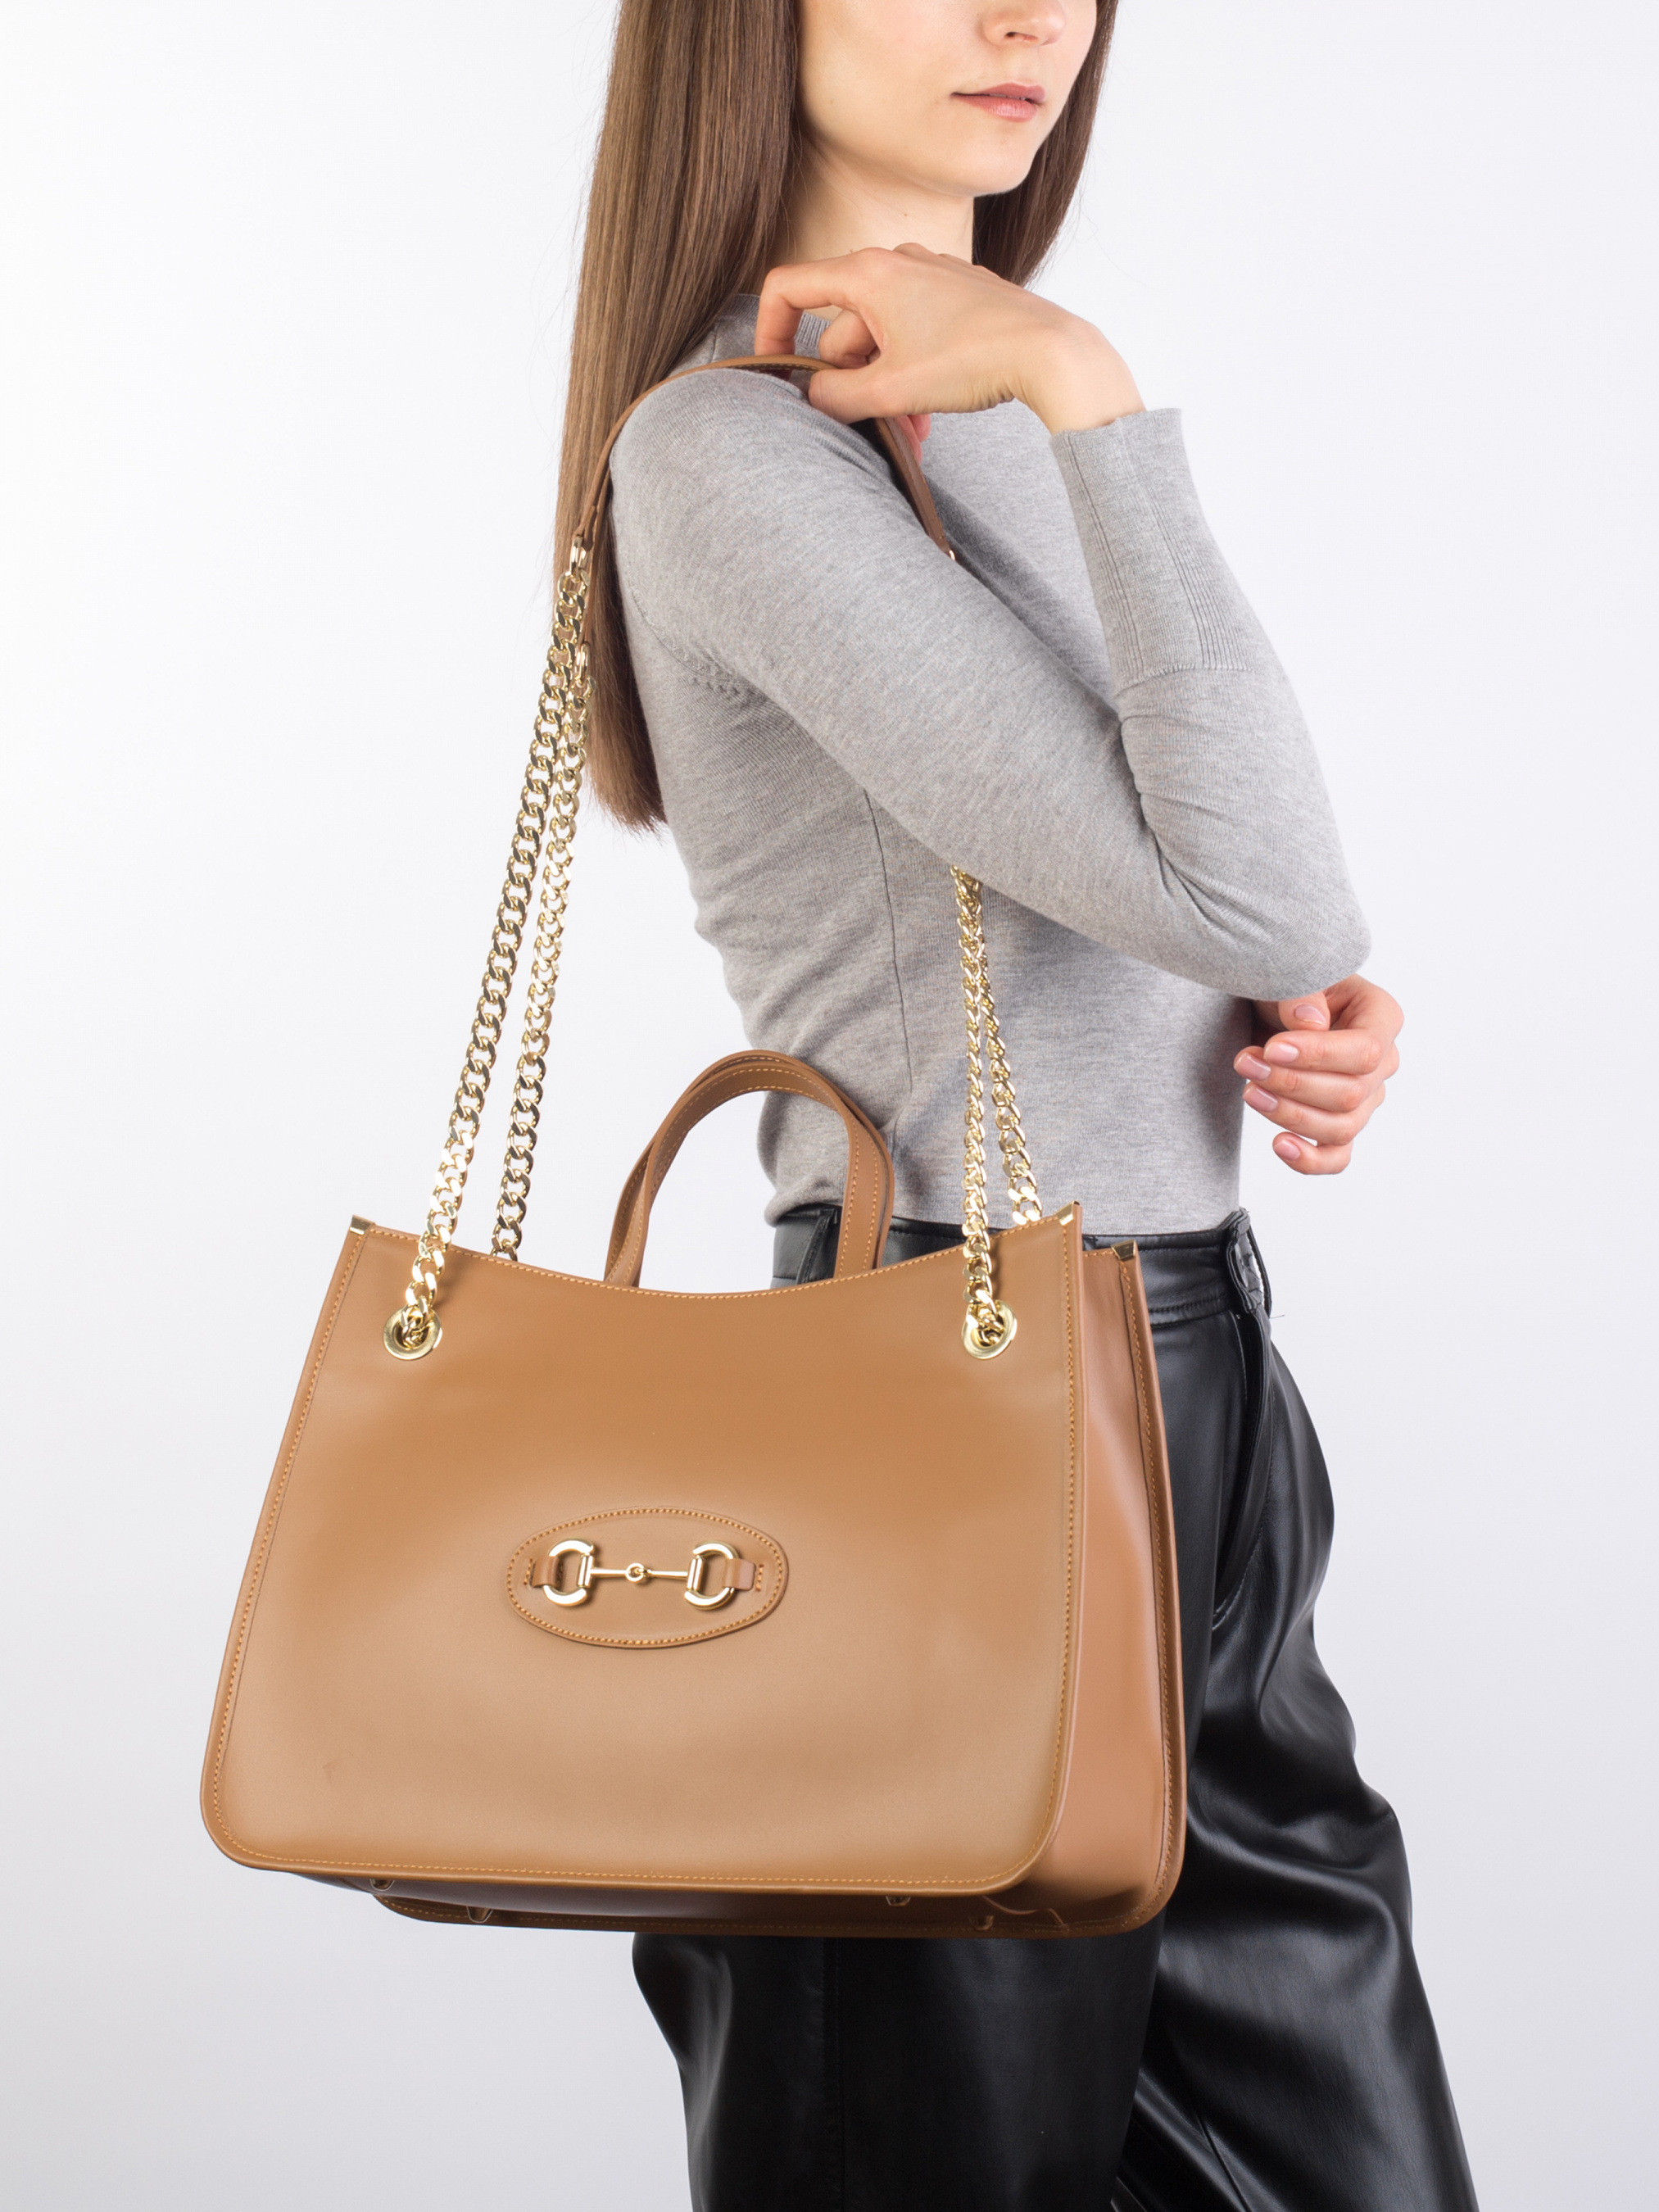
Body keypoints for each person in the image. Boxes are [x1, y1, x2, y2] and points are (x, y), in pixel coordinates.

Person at [556, 2, 1478, 2206]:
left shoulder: (975, 411)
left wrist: (1279, 1007)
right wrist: (1079, 378)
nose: (1023, 13)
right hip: (943, 1395)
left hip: (1191, 1386)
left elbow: (1237, 881)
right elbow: (1248, 869)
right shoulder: (730, 453)